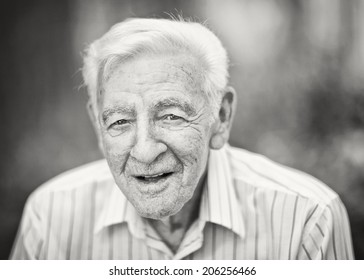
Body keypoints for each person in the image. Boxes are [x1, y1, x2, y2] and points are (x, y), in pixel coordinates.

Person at [10, 17, 354, 260]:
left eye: (171, 116)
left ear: (221, 117)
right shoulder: (50, 216)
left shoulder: (307, 218)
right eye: (119, 121)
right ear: (96, 124)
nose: (144, 151)